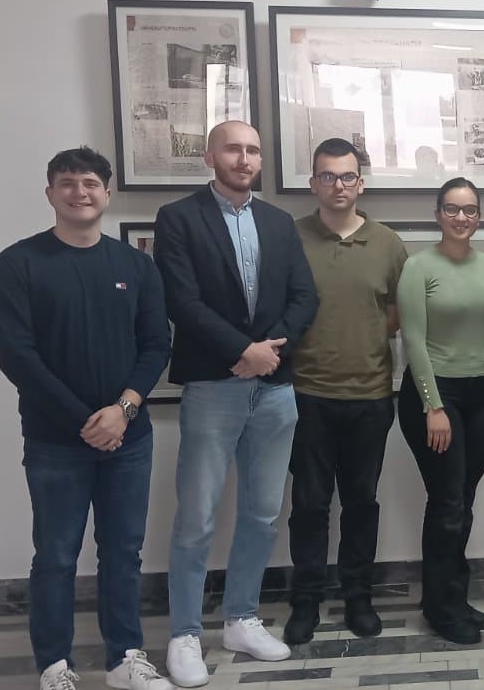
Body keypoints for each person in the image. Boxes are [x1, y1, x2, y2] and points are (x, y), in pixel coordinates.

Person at [0, 147, 172, 690]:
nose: (79, 192)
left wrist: (124, 411)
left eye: (90, 182)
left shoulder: (136, 266)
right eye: (66, 183)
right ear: (50, 193)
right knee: (56, 556)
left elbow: (156, 344)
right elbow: (16, 355)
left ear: (106, 194)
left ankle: (124, 659)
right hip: (55, 442)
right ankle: (54, 665)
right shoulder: (18, 263)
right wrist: (88, 422)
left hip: (129, 439)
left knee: (123, 553)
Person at [156, 121, 318, 687]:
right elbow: (181, 300)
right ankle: (184, 633)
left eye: (253, 150)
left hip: (275, 386)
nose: (244, 158)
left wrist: (268, 354)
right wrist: (241, 351)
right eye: (233, 148)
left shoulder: (277, 222)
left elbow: (304, 296)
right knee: (196, 517)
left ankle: (241, 619)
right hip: (213, 385)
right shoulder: (179, 219)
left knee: (262, 512)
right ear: (210, 156)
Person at [282, 138, 408, 645]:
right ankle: (306, 600)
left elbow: (397, 315)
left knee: (361, 502)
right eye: (328, 176)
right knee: (310, 505)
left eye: (348, 176)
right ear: (313, 183)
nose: (338, 185)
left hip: (370, 396)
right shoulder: (290, 238)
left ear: (361, 183)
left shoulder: (387, 243)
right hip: (306, 395)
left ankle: (358, 596)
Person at [397, 177, 484, 645]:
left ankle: (452, 598)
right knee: (447, 503)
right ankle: (442, 610)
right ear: (437, 214)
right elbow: (413, 340)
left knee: (462, 501)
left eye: (469, 210)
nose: (461, 217)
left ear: (479, 216)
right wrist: (433, 405)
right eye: (452, 209)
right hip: (435, 396)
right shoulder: (418, 267)